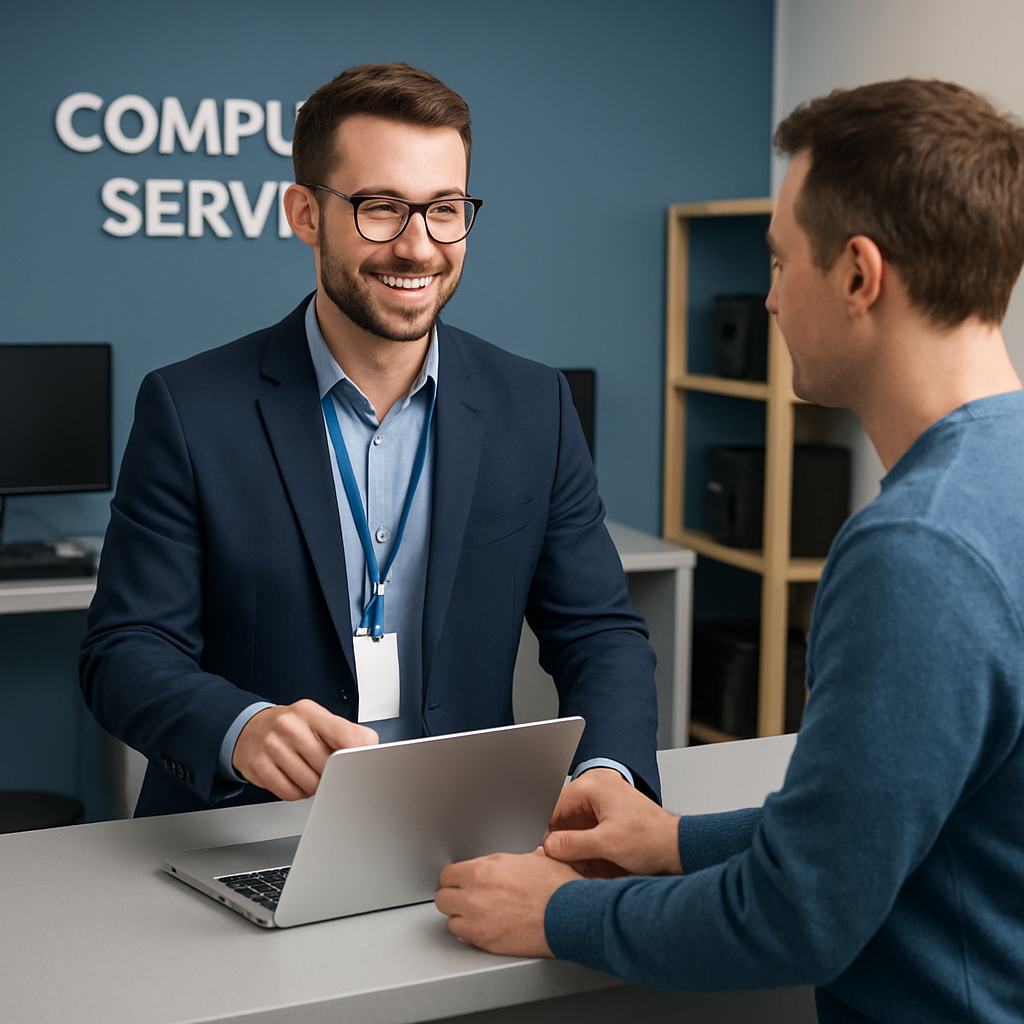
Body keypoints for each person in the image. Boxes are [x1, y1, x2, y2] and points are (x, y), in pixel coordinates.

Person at [435, 78, 1024, 1024]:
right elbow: (883, 826)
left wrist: (562, 913)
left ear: (860, 275)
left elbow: (797, 915)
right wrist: (675, 841)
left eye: (782, 262)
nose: (772, 299)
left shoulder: (917, 550)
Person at [79, 62, 660, 817]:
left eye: (444, 209)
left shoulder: (535, 406)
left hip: (463, 830)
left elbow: (600, 633)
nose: (418, 247)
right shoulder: (190, 409)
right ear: (305, 214)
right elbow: (122, 653)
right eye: (380, 208)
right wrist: (241, 728)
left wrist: (608, 770)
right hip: (249, 832)